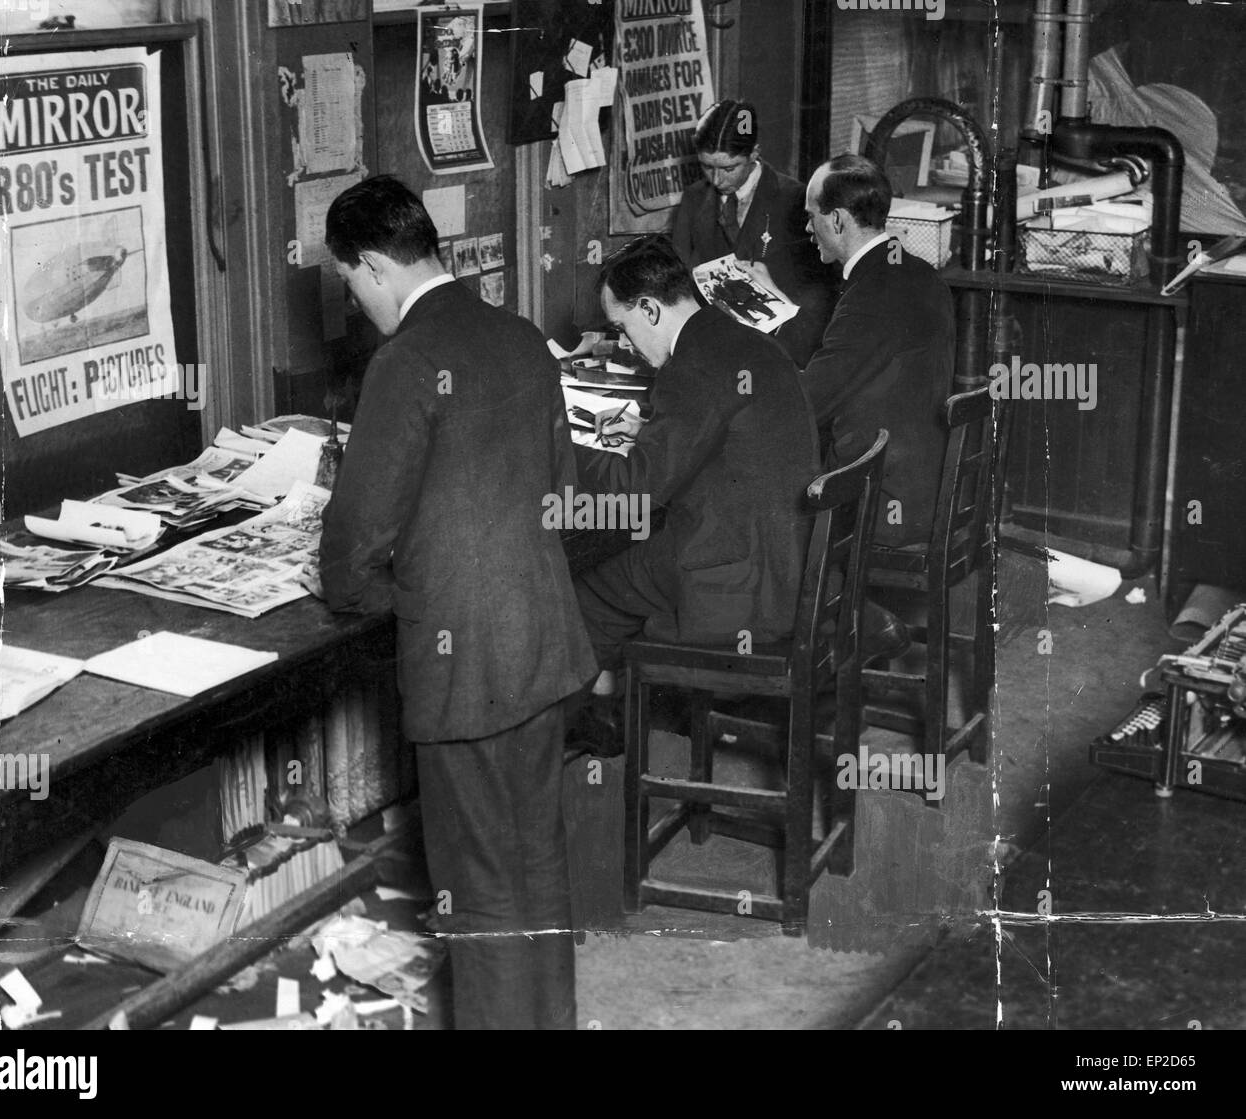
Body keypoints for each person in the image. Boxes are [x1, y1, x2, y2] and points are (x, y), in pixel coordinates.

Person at [317, 175, 596, 1030]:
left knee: (476, 893)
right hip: (545, 646)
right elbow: (565, 491)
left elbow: (353, 545)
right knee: (537, 866)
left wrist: (390, 594)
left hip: (464, 668)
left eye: (351, 283)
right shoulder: (518, 335)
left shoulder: (403, 365)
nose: (358, 303)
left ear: (370, 266)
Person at [568, 235, 819, 746]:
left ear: (650, 308)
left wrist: (558, 448)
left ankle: (594, 729)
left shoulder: (693, 366)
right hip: (786, 557)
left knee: (582, 588)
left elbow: (635, 492)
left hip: (739, 582)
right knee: (627, 562)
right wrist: (648, 436)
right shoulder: (734, 337)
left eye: (623, 327)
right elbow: (722, 438)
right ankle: (612, 709)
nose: (628, 345)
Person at [749, 153, 954, 552]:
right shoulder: (918, 274)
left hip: (880, 503)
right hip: (921, 485)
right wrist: (773, 303)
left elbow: (807, 405)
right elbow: (854, 365)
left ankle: (808, 611)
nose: (808, 228)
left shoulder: (870, 296)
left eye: (811, 217)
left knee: (742, 496)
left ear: (838, 220)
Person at [671, 98, 835, 355]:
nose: (716, 179)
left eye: (729, 168)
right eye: (706, 167)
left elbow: (819, 296)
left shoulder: (795, 200)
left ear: (754, 153)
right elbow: (677, 274)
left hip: (781, 348)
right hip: (716, 345)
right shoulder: (694, 199)